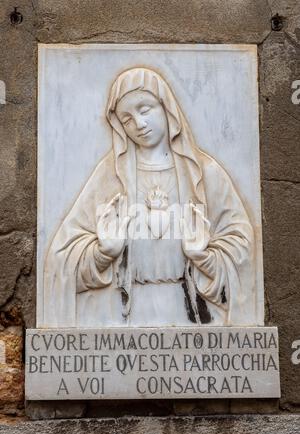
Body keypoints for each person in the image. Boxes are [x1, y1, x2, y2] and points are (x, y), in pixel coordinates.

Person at [43, 67, 255, 328]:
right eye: (127, 119)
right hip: (122, 316)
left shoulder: (205, 173)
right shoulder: (110, 175)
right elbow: (60, 258)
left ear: (166, 107)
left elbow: (244, 251)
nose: (139, 125)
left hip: (193, 313)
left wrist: (203, 257)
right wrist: (102, 253)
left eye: (145, 110)